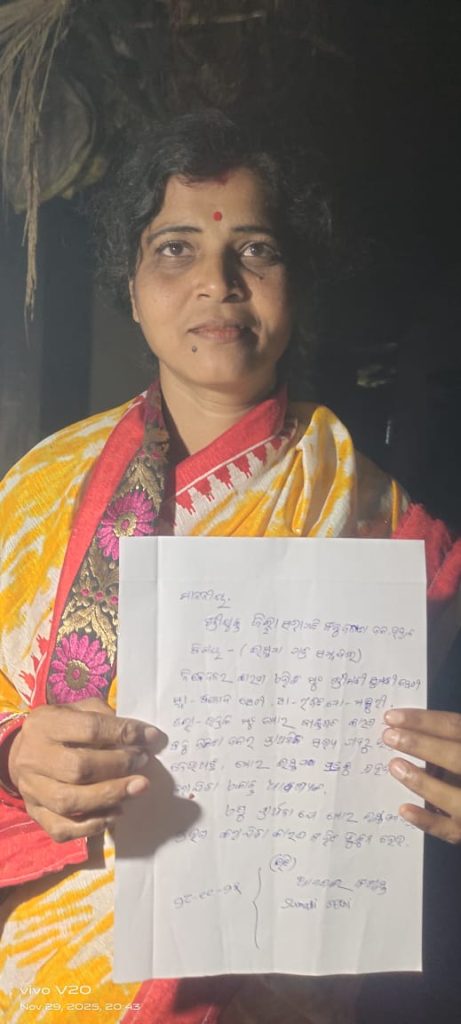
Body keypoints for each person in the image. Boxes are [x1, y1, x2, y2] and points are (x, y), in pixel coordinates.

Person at [0, 109, 460, 1024]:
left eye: (256, 249)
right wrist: (16, 756)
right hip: (43, 973)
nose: (217, 282)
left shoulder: (384, 522)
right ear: (132, 290)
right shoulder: (35, 490)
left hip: (277, 983)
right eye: (174, 249)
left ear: (298, 284)